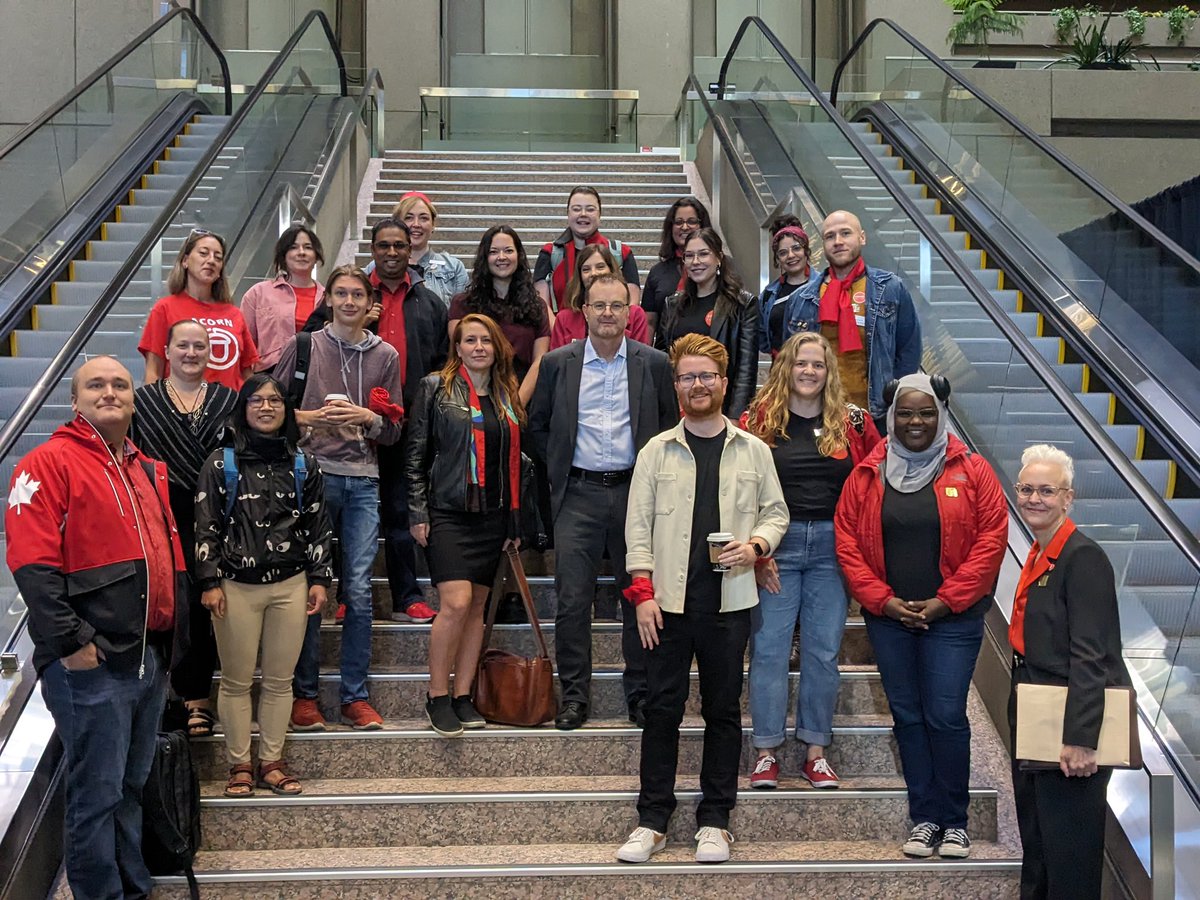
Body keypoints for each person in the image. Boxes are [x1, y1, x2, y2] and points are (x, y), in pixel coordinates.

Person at [6, 356, 186, 900]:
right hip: (93, 663)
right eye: (95, 385)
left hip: (145, 657)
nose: (109, 392)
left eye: (120, 384)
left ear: (134, 398)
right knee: (97, 792)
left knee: (129, 787)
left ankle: (132, 885)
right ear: (75, 400)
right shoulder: (48, 462)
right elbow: (32, 565)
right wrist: (70, 642)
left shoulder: (142, 467)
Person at [617, 334, 788, 865]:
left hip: (729, 605)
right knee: (662, 711)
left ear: (722, 381)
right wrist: (642, 594)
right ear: (676, 386)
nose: (698, 385)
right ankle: (652, 821)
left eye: (706, 376)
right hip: (666, 606)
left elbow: (775, 513)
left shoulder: (753, 450)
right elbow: (638, 527)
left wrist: (757, 546)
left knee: (721, 713)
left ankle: (715, 820)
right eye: (688, 377)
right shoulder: (656, 450)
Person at [834, 373, 1007, 859]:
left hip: (953, 620)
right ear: (891, 417)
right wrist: (881, 600)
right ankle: (923, 818)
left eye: (926, 412)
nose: (915, 421)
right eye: (906, 412)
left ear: (941, 414)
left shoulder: (973, 471)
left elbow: (992, 541)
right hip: (889, 619)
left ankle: (955, 821)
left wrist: (946, 600)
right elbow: (847, 542)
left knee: (946, 716)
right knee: (908, 717)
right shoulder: (867, 472)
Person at [528, 273, 679, 731]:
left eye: (617, 305)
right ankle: (574, 697)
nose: (609, 313)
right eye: (599, 305)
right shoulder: (557, 363)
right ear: (584, 310)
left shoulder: (653, 363)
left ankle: (640, 694)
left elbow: (671, 426)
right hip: (578, 494)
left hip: (638, 494)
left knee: (640, 596)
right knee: (573, 601)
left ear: (631, 313)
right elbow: (538, 427)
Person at [741, 332, 880, 790]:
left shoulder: (853, 422)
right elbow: (739, 491)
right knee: (769, 651)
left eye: (818, 365)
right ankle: (765, 751)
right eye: (800, 363)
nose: (808, 372)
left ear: (829, 371)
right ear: (785, 366)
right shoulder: (757, 421)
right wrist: (756, 551)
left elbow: (873, 484)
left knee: (822, 652)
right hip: (775, 549)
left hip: (831, 550)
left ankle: (816, 752)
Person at [277, 265, 406, 731]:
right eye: (341, 293)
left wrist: (367, 417)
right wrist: (313, 418)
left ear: (371, 304)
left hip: (363, 480)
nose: (349, 302)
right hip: (309, 477)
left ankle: (355, 695)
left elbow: (393, 430)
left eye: (358, 294)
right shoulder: (303, 346)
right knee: (312, 589)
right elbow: (267, 411)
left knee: (358, 590)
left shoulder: (386, 354)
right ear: (328, 298)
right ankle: (305, 695)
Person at [194, 375, 333, 797]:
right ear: (243, 409)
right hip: (234, 586)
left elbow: (318, 525)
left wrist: (320, 578)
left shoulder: (304, 464)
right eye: (257, 400)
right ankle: (239, 765)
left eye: (275, 400)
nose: (267, 407)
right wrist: (209, 580)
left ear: (286, 410)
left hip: (290, 585)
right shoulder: (222, 463)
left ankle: (271, 761)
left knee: (279, 680)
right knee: (235, 681)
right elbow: (205, 527)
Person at [304, 218, 448, 625]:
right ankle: (349, 594)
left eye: (398, 246)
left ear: (409, 250)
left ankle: (407, 594)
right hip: (347, 428)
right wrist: (362, 320)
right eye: (383, 245)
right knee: (344, 513)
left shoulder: (429, 302)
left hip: (403, 422)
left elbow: (440, 364)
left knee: (402, 511)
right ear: (372, 248)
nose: (391, 252)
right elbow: (319, 334)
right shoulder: (353, 295)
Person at [1009, 444, 1132, 900]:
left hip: (1069, 721)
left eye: (1046, 490)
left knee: (1070, 855)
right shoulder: (1041, 552)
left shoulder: (1082, 558)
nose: (1033, 498)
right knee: (1038, 844)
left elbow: (1091, 655)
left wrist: (1081, 739)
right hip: (1034, 704)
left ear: (1068, 498)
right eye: (1026, 489)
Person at [405, 314, 530, 737]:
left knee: (477, 608)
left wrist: (515, 519)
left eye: (485, 341)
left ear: (496, 348)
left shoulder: (505, 393)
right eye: (469, 340)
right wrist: (418, 511)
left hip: (493, 515)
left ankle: (463, 694)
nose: (478, 347)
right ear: (457, 348)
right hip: (447, 510)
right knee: (455, 603)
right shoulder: (435, 388)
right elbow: (416, 454)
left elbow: (514, 464)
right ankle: (436, 695)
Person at [132, 320, 238, 738]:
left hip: (216, 517)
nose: (191, 352)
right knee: (161, 604)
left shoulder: (229, 399)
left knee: (202, 608)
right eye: (183, 345)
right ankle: (159, 694)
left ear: (211, 352)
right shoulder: (143, 401)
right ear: (168, 350)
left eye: (200, 346)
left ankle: (197, 698)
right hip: (158, 515)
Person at [782, 210, 921, 428]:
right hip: (818, 416)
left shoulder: (890, 289)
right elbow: (789, 361)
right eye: (830, 236)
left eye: (845, 233)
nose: (838, 242)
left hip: (876, 416)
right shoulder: (801, 299)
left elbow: (909, 352)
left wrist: (892, 399)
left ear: (862, 237)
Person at [656, 228, 760, 417]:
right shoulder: (672, 304)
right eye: (689, 256)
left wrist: (736, 417)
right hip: (679, 408)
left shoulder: (743, 304)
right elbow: (662, 361)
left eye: (704, 254)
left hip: (722, 408)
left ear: (718, 258)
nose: (696, 262)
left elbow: (746, 371)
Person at [139, 229, 259, 389]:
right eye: (203, 253)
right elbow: (153, 370)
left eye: (218, 257)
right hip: (181, 405)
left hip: (230, 407)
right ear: (185, 261)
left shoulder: (234, 313)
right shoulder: (165, 308)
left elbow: (246, 372)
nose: (211, 261)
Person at [450, 225, 549, 406]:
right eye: (494, 251)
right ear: (484, 257)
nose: (501, 257)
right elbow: (458, 356)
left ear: (518, 256)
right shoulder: (462, 304)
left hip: (523, 399)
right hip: (474, 399)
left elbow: (539, 361)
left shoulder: (537, 306)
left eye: (508, 251)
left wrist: (517, 405)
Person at [534, 184, 642, 315]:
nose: (583, 214)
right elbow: (542, 306)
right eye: (576, 209)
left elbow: (630, 306)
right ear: (567, 213)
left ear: (600, 214)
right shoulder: (549, 253)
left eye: (590, 209)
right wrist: (560, 330)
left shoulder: (622, 253)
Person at [241, 223, 326, 373]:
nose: (301, 252)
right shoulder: (258, 293)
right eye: (293, 247)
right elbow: (244, 346)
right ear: (284, 255)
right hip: (270, 378)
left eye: (308, 247)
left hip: (317, 376)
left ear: (316, 255)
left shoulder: (328, 298)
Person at [549, 243, 649, 349]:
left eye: (600, 267)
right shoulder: (564, 319)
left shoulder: (635, 316)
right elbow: (557, 362)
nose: (594, 273)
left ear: (611, 269)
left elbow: (641, 360)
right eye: (586, 269)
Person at [642, 196, 713, 335]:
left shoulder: (718, 267)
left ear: (702, 225)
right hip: (668, 351)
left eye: (692, 221)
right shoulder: (657, 272)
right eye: (678, 222)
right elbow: (649, 323)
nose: (685, 227)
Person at [392, 191, 468, 306]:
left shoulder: (454, 268)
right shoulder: (378, 266)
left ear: (433, 225)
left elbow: (462, 317)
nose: (416, 224)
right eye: (408, 218)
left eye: (424, 218)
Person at [759, 216, 815, 355]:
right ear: (778, 259)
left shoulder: (825, 287)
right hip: (779, 371)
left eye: (796, 248)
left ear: (806, 251)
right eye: (783, 253)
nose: (791, 255)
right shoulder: (768, 295)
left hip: (814, 370)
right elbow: (763, 340)